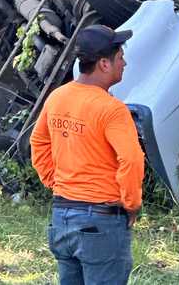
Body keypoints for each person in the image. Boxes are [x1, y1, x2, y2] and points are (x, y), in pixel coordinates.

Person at [31, 24, 145, 285]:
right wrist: (131, 204)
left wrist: (56, 183)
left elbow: (38, 142)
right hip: (101, 224)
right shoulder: (112, 109)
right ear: (104, 64)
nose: (124, 62)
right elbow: (131, 160)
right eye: (120, 57)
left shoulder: (57, 97)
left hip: (62, 218)